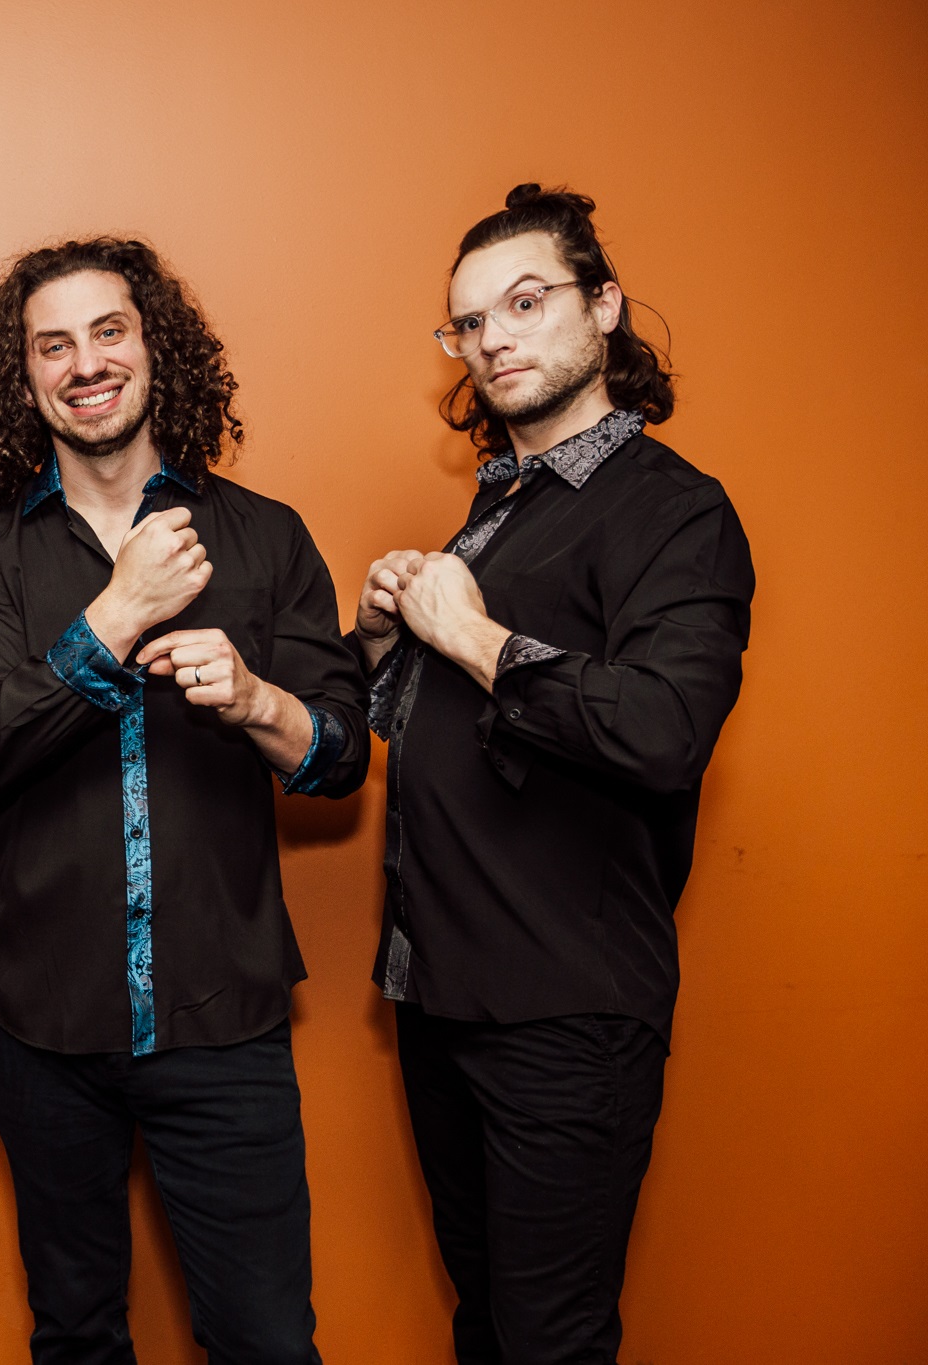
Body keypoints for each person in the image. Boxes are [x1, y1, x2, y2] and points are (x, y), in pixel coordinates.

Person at [0, 237, 367, 1364]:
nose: (85, 362)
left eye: (107, 331)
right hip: (40, 1023)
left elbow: (338, 758)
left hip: (220, 1017)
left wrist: (256, 700)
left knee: (266, 1340)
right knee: (75, 1336)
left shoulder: (264, 536)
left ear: (152, 346)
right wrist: (114, 618)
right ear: (23, 380)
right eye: (53, 345)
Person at [351, 184, 754, 1364]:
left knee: (548, 1341)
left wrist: (470, 635)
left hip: (565, 1014)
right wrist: (388, 636)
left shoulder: (672, 513)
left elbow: (663, 725)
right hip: (441, 998)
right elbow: (433, 735)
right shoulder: (493, 510)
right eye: (467, 324)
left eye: (523, 303)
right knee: (487, 1322)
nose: (493, 340)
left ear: (604, 309)